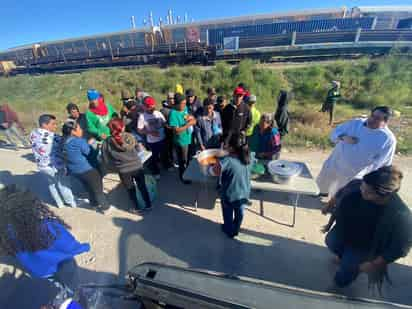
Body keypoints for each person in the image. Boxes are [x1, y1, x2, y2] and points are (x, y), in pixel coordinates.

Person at [323, 166, 412, 289]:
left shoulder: (401, 214)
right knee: (331, 241)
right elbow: (341, 195)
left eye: (368, 192)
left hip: (366, 247)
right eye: (362, 187)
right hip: (345, 233)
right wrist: (329, 220)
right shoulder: (357, 186)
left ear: (384, 195)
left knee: (346, 271)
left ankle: (339, 286)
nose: (361, 191)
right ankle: (344, 257)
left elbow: (401, 247)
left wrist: (375, 264)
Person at [317, 106, 396, 199]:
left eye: (377, 118)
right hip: (335, 161)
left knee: (343, 194)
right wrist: (342, 137)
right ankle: (322, 193)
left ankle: (336, 204)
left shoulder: (388, 139)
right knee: (323, 182)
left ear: (385, 122)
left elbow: (384, 163)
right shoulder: (355, 123)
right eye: (372, 116)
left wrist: (370, 179)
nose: (372, 119)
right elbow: (334, 133)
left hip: (355, 172)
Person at [102, 118, 152, 213]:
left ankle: (137, 208)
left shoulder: (107, 143)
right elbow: (139, 148)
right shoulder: (130, 136)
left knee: (130, 189)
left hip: (123, 170)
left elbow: (106, 160)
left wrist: (116, 167)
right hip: (137, 166)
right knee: (142, 186)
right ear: (122, 127)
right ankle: (148, 204)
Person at [62, 119, 109, 213]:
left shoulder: (64, 141)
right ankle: (105, 207)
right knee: (97, 188)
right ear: (73, 131)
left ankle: (94, 204)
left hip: (74, 171)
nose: (81, 130)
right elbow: (91, 154)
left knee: (89, 187)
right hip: (87, 169)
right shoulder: (78, 141)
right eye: (79, 128)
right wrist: (95, 145)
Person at [30, 114, 77, 208]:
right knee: (63, 183)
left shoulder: (33, 133)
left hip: (41, 165)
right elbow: (65, 144)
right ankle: (71, 202)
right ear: (44, 124)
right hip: (54, 166)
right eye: (53, 124)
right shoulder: (52, 137)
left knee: (51, 184)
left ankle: (59, 203)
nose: (55, 126)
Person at [213, 134, 251, 238]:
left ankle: (229, 230)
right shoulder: (248, 156)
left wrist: (218, 159)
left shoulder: (228, 160)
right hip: (244, 193)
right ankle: (236, 228)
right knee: (239, 213)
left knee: (228, 214)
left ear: (231, 147)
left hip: (229, 194)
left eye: (227, 144)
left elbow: (215, 171)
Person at [168, 93, 196, 184]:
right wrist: (189, 124)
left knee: (188, 159)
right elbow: (176, 130)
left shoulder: (185, 108)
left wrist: (191, 118)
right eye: (183, 103)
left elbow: (188, 117)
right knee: (182, 161)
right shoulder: (173, 113)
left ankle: (187, 173)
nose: (184, 105)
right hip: (181, 141)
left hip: (188, 138)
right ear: (176, 103)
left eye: (185, 103)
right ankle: (183, 176)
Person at [137, 96, 166, 179]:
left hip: (162, 138)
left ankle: (165, 166)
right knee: (154, 157)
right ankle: (156, 172)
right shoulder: (142, 117)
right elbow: (139, 130)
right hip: (152, 141)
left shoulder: (158, 113)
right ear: (145, 106)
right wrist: (149, 132)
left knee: (163, 154)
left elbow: (164, 123)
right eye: (149, 106)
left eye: (153, 105)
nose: (152, 107)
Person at [160, 93, 175, 169]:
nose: (172, 100)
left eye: (173, 98)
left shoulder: (175, 107)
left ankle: (171, 161)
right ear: (167, 99)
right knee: (167, 149)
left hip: (174, 132)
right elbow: (162, 123)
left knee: (172, 148)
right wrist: (169, 127)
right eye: (170, 98)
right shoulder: (163, 110)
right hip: (167, 133)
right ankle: (167, 164)